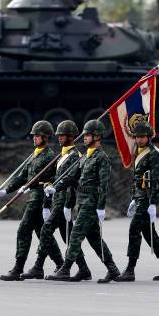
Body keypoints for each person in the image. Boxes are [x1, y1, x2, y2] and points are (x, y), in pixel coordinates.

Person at [45, 120, 121, 283]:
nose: (84, 138)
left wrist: (101, 207)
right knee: (94, 239)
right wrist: (55, 188)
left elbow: (103, 185)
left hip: (91, 202)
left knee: (75, 235)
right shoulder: (85, 156)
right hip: (82, 201)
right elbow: (71, 176)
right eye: (85, 135)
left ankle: (65, 269)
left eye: (87, 135)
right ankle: (112, 269)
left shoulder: (102, 158)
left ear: (97, 136)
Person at [21, 120, 93, 281]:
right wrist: (47, 203)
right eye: (59, 135)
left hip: (64, 200)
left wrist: (68, 204)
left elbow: (71, 181)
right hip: (56, 199)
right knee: (68, 236)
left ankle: (39, 267)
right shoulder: (62, 154)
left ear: (72, 136)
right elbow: (52, 179)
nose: (60, 137)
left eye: (64, 135)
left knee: (46, 230)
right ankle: (84, 269)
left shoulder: (75, 156)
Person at [0, 121, 56, 281]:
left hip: (39, 199)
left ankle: (17, 268)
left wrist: (28, 186)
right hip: (33, 197)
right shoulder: (35, 154)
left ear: (45, 137)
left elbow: (43, 178)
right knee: (43, 233)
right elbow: (22, 177)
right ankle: (60, 263)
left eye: (37, 136)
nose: (34, 138)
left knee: (23, 230)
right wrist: (5, 190)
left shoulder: (49, 156)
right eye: (33, 135)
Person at [115, 120, 159, 282]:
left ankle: (130, 270)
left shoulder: (153, 153)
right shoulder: (139, 150)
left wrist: (153, 203)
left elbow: (155, 180)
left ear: (149, 137)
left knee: (134, 230)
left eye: (143, 137)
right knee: (150, 235)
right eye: (137, 137)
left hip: (147, 199)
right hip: (140, 198)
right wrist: (134, 199)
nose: (139, 139)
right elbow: (139, 178)